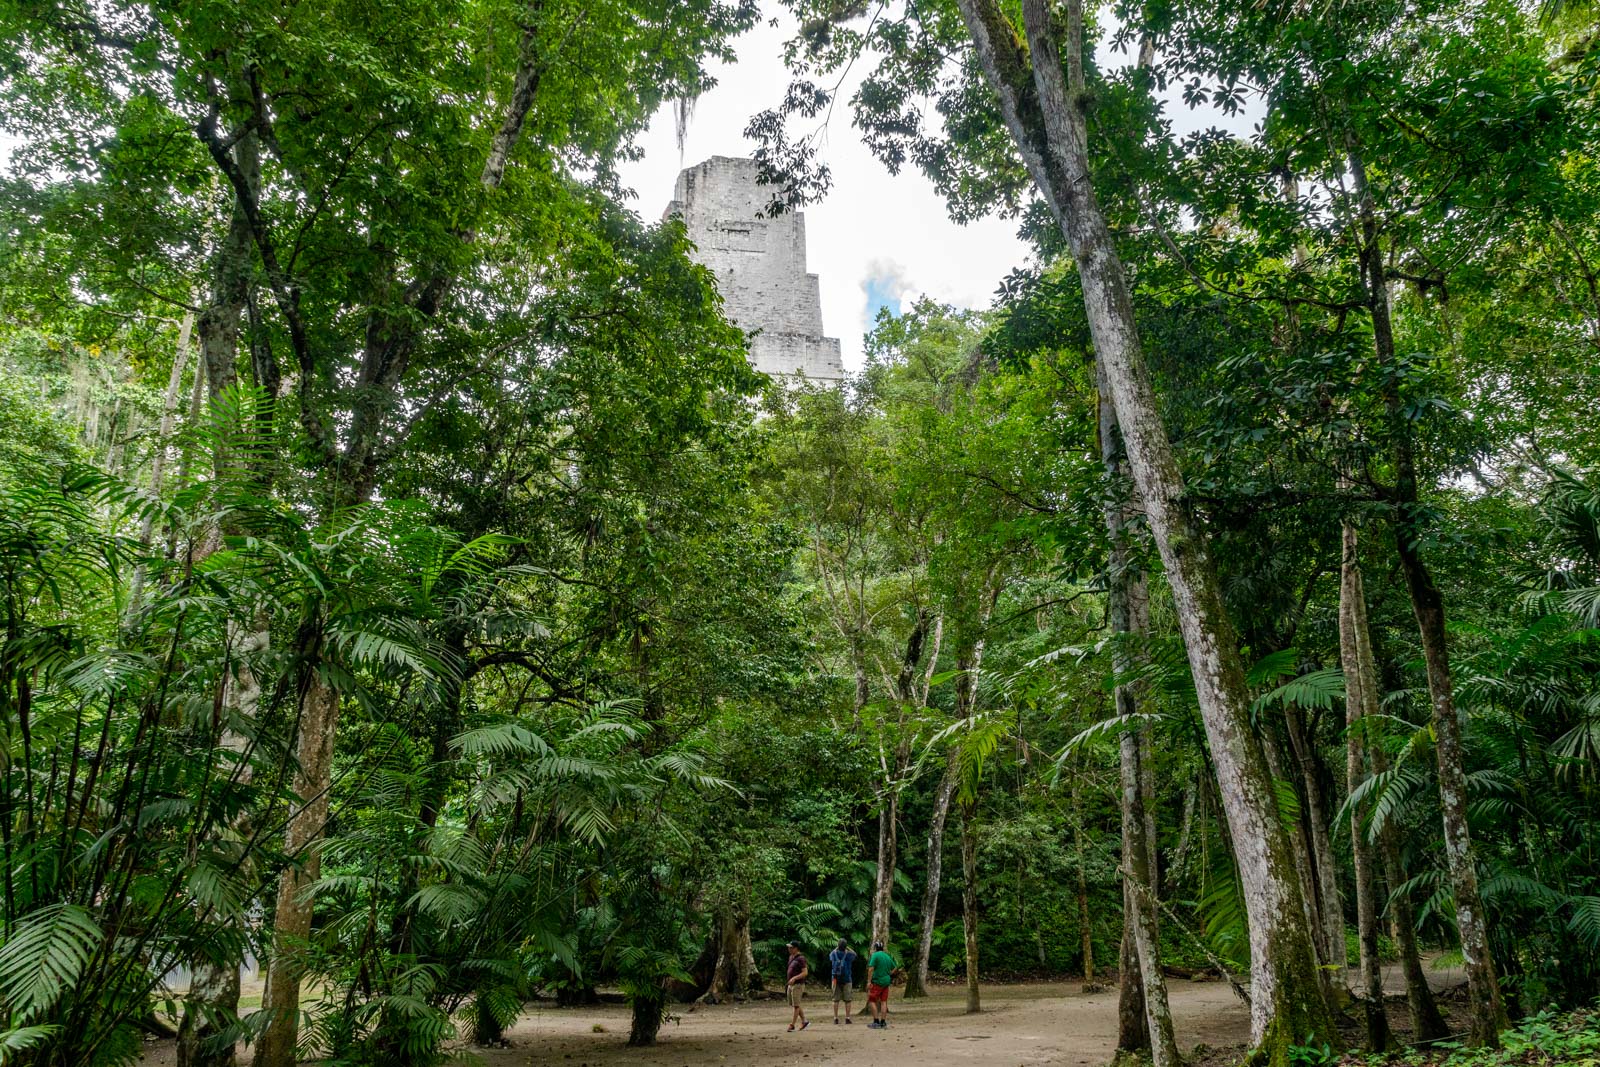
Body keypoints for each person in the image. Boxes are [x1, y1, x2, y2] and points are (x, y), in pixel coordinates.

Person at [864, 940, 896, 1029]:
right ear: (882, 947)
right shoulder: (887, 956)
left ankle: (876, 1021)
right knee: (883, 1001)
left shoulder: (875, 955)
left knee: (871, 1000)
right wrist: (889, 974)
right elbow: (895, 967)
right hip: (886, 981)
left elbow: (871, 969)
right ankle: (883, 1022)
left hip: (878, 981)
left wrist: (869, 981)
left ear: (875, 948)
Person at [827, 939, 857, 1024]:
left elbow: (830, 955)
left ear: (838, 946)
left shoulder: (834, 954)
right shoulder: (849, 954)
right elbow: (855, 954)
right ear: (845, 946)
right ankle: (847, 1018)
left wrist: (836, 948)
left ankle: (835, 1018)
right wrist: (848, 948)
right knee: (848, 1000)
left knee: (835, 1000)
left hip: (835, 979)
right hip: (847, 979)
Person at [784, 941, 810, 1031]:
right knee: (795, 1004)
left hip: (798, 985)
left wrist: (795, 978)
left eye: (791, 947)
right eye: (789, 947)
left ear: (796, 948)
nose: (789, 949)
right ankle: (804, 1021)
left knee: (796, 1006)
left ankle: (792, 1025)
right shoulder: (791, 957)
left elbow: (805, 972)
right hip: (791, 985)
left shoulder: (801, 959)